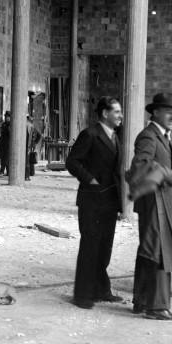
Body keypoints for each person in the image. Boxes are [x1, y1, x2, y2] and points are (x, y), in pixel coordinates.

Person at [126, 93, 172, 320]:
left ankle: (141, 300)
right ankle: (158, 306)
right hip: (154, 202)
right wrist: (168, 175)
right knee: (162, 251)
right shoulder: (149, 136)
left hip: (168, 202)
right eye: (167, 111)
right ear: (154, 113)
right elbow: (141, 165)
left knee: (149, 249)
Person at [65, 96, 124, 310]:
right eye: (117, 112)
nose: (120, 115)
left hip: (109, 200)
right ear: (105, 113)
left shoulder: (115, 137)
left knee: (104, 248)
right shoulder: (90, 134)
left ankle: (101, 290)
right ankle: (82, 295)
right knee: (90, 247)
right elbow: (71, 162)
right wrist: (89, 179)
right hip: (91, 200)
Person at [26, 116, 43, 180]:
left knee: (30, 159)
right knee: (30, 159)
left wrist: (35, 142)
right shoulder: (32, 128)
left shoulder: (32, 128)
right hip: (31, 145)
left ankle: (31, 172)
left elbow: (39, 136)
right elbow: (39, 136)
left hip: (31, 145)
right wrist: (35, 142)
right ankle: (31, 172)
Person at [0, 111, 11, 175]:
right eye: (5, 116)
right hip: (2, 143)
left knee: (6, 158)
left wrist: (8, 127)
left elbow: (10, 133)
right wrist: (1, 121)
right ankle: (4, 171)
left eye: (7, 117)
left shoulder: (11, 124)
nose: (6, 118)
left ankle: (5, 171)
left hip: (8, 143)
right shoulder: (4, 123)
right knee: (3, 157)